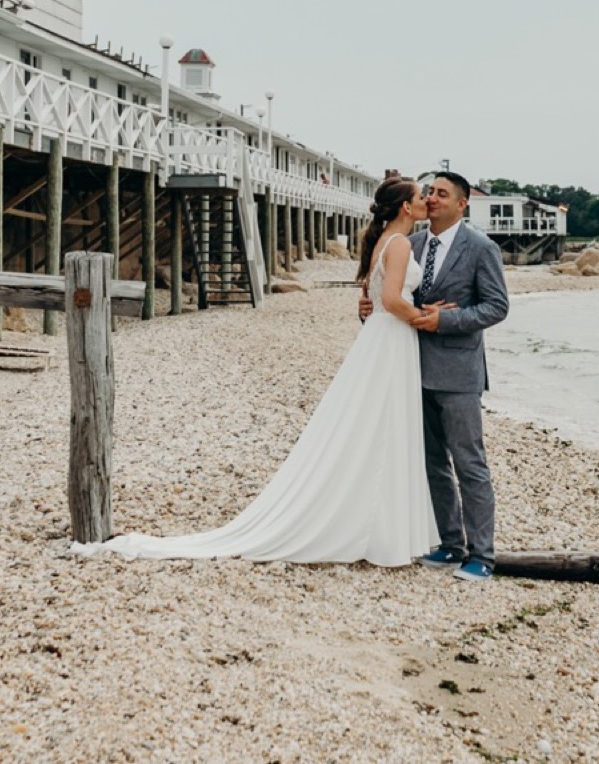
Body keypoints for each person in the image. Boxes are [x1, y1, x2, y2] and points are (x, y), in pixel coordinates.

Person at [71, 176, 441, 566]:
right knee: (384, 427)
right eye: (420, 197)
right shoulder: (399, 243)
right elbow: (390, 299)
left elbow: (372, 298)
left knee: (375, 428)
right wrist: (428, 318)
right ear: (405, 207)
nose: (425, 202)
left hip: (382, 341)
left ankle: (376, 525)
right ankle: (378, 530)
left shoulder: (384, 240)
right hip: (392, 339)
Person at [359, 171, 511, 581]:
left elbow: (497, 307)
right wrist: (369, 308)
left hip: (458, 371)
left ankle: (482, 556)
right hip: (410, 367)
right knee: (432, 464)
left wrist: (446, 320)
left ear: (462, 204)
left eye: (443, 194)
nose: (433, 198)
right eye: (430, 192)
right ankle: (449, 545)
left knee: (470, 464)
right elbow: (394, 295)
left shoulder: (481, 248)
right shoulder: (411, 244)